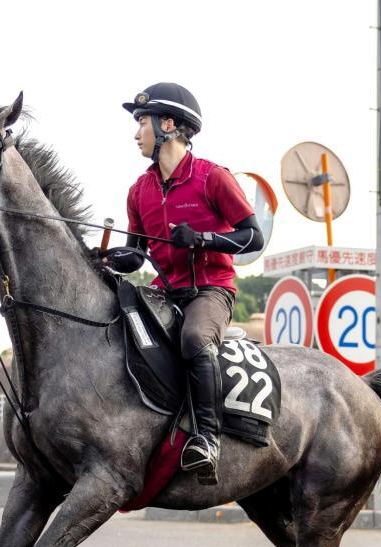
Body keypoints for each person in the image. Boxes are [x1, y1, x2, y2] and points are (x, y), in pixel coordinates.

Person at [104, 83, 264, 485]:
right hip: (165, 289)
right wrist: (115, 259)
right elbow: (135, 253)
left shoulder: (213, 178)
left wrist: (204, 239)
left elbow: (253, 238)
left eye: (142, 122)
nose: (136, 132)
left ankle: (207, 440)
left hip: (212, 290)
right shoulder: (138, 190)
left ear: (168, 125)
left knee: (194, 338)